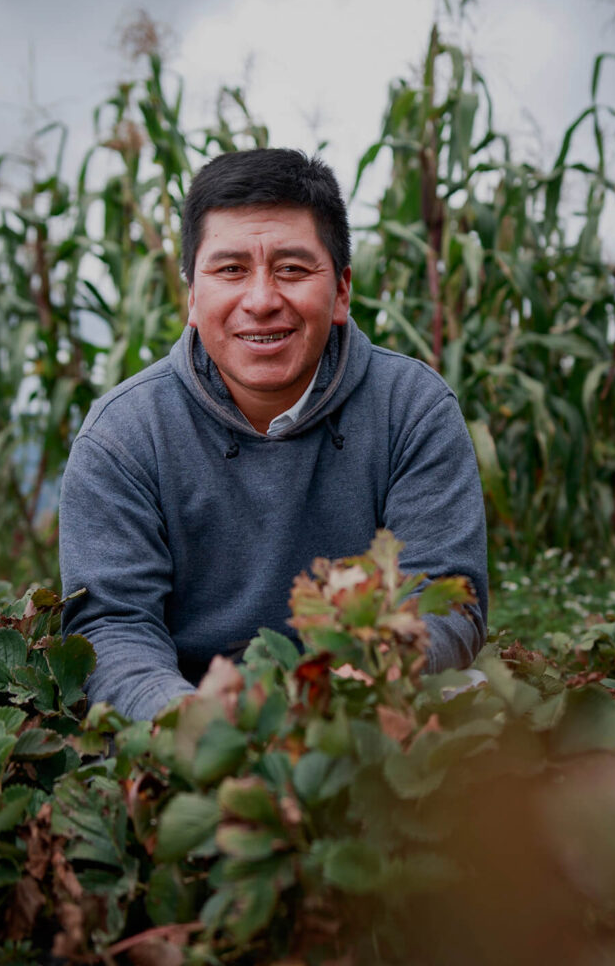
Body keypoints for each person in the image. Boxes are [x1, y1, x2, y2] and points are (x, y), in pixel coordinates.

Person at [59, 148, 488, 720]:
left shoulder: (412, 409)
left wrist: (373, 671)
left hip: (369, 706)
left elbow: (446, 594)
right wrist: (191, 721)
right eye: (230, 270)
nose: (260, 301)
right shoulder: (123, 436)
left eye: (292, 268)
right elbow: (112, 625)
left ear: (340, 291)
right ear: (192, 296)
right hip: (194, 721)